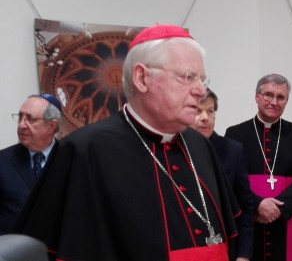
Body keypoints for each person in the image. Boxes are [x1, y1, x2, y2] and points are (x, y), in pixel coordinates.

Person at [15, 25, 239, 261]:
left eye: (203, 79)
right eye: (187, 77)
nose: (200, 90)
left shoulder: (200, 145)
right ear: (142, 78)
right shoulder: (84, 150)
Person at [225, 74, 292, 261]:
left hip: (287, 220)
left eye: (280, 97)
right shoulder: (235, 133)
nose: (274, 102)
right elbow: (229, 181)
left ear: (286, 101)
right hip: (250, 220)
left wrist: (278, 209)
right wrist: (258, 204)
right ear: (257, 96)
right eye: (268, 95)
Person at [191, 88, 254, 261]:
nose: (205, 117)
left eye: (210, 111)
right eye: (198, 111)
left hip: (226, 245)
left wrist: (243, 254)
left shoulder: (232, 150)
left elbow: (245, 207)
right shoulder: (173, 151)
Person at [0, 94, 61, 235]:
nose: (21, 125)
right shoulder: (3, 161)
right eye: (20, 117)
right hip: (13, 251)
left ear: (51, 126)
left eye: (30, 119)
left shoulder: (70, 159)